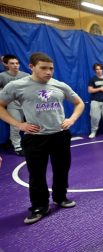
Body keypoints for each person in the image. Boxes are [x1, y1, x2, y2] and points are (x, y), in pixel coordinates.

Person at [0, 52, 85, 224]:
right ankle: (39, 206)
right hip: (35, 138)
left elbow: (79, 103)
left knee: (61, 169)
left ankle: (60, 197)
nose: (48, 72)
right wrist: (19, 124)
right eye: (43, 68)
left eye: (51, 68)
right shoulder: (17, 86)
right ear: (31, 67)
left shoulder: (59, 85)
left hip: (60, 136)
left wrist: (72, 119)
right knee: (36, 174)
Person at [0, 54, 30, 155]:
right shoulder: (2, 76)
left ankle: (20, 141)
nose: (15, 65)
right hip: (12, 104)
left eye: (17, 63)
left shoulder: (26, 76)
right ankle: (17, 147)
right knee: (15, 125)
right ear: (7, 65)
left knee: (31, 124)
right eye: (12, 63)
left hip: (26, 104)